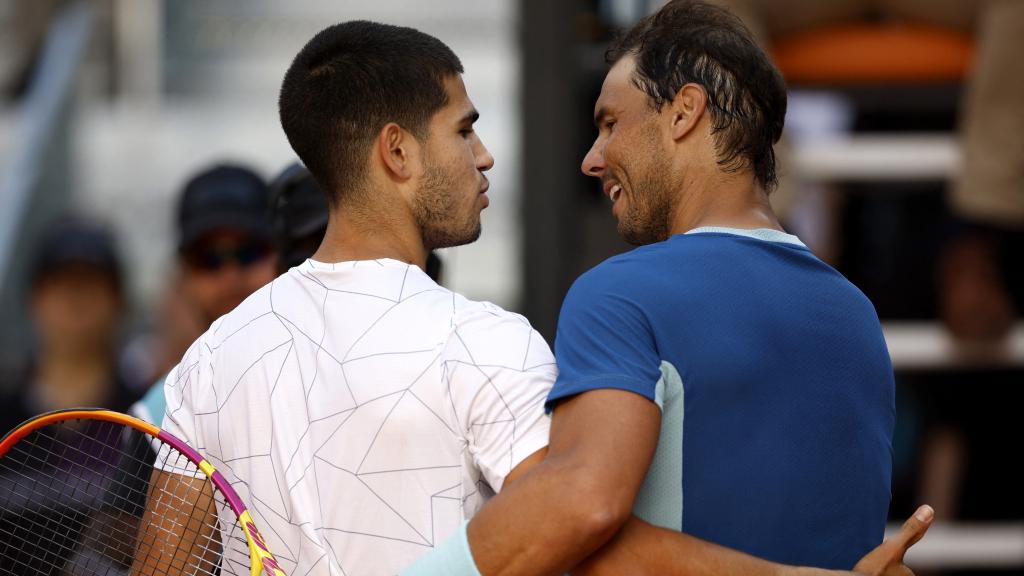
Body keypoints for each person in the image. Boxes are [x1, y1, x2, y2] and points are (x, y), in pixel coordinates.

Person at [136, 17, 928, 576]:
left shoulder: (206, 362)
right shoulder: (492, 340)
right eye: (463, 128)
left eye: (609, 123)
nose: (485, 156)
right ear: (398, 152)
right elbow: (585, 532)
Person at [411, 1, 922, 574]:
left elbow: (580, 507)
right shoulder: (856, 313)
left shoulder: (622, 293)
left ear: (684, 113)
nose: (591, 159)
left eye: (609, 124)